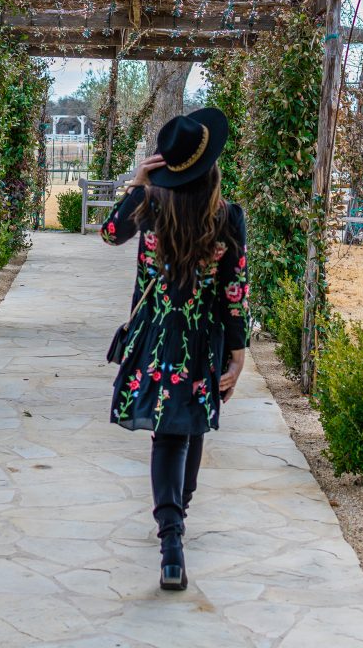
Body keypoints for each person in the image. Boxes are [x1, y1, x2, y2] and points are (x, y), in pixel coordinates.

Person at [100, 108, 250, 591]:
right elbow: (234, 292)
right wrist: (238, 351)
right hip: (200, 343)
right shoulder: (227, 218)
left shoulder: (151, 207)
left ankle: (172, 529)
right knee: (187, 426)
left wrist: (137, 182)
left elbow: (109, 233)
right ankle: (174, 529)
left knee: (172, 433)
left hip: (153, 340)